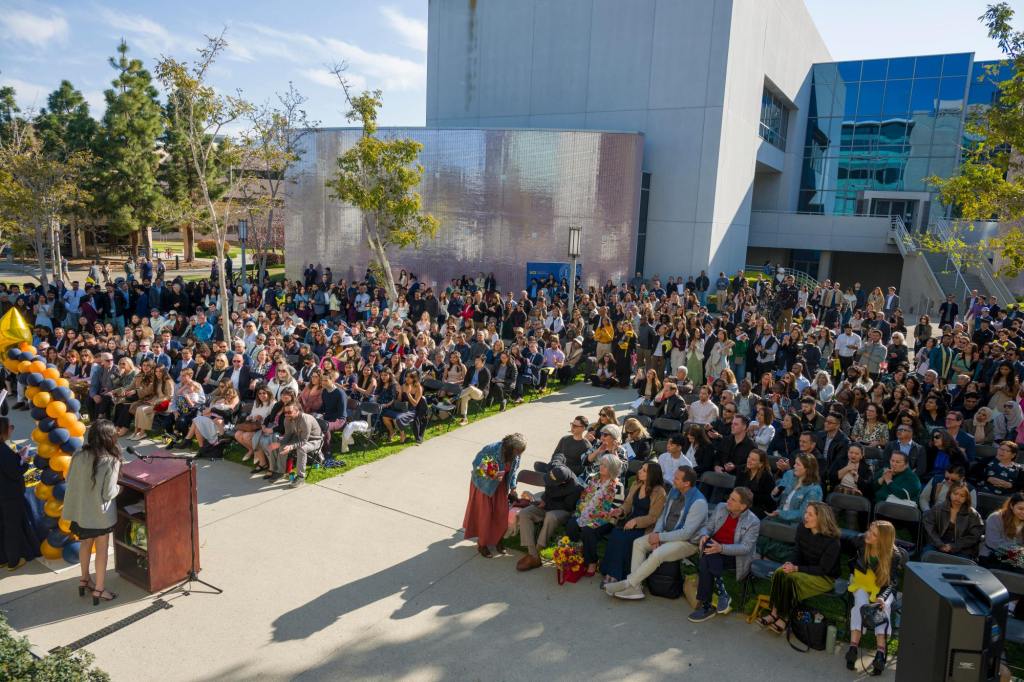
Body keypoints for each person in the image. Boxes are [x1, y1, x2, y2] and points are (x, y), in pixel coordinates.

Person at [605, 465, 707, 600]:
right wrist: (656, 534)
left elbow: (686, 534)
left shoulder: (698, 502)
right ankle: (636, 589)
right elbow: (662, 516)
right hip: (666, 534)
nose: (673, 480)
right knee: (639, 543)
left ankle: (629, 583)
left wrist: (659, 536)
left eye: (676, 478)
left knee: (658, 553)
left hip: (686, 542)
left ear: (686, 483)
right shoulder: (674, 492)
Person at [756, 502, 841, 634]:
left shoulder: (833, 542)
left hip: (824, 577)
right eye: (806, 513)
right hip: (803, 569)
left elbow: (823, 569)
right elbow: (797, 552)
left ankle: (784, 617)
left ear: (821, 518)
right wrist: (790, 564)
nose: (805, 516)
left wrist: (796, 569)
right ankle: (774, 613)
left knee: (791, 578)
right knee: (780, 572)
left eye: (810, 514)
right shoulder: (802, 528)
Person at [62, 419, 122, 605]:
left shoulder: (78, 453)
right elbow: (109, 493)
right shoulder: (110, 461)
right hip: (99, 516)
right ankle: (99, 590)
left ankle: (84, 579)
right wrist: (120, 488)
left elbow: (69, 477)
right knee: (102, 551)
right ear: (109, 438)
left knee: (85, 545)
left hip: (80, 512)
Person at [687, 487, 760, 622]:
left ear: (743, 506)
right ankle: (722, 595)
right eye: (729, 497)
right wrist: (704, 535)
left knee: (706, 560)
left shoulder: (753, 522)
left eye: (733, 499)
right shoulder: (721, 507)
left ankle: (707, 606)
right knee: (709, 554)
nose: (728, 501)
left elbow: (745, 548)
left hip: (734, 556)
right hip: (713, 548)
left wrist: (721, 548)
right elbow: (708, 527)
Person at [845, 521, 902, 675]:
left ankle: (880, 651)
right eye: (869, 530)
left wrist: (882, 597)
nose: (868, 534)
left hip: (883, 587)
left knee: (883, 608)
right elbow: (846, 543)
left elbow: (893, 582)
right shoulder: (862, 542)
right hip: (862, 581)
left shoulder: (894, 555)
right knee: (860, 604)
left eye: (874, 534)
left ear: (883, 540)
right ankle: (853, 647)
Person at [600, 461, 667, 583]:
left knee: (625, 539)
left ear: (652, 475)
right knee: (616, 534)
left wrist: (636, 521)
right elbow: (628, 504)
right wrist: (620, 511)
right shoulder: (636, 484)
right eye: (641, 468)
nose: (640, 471)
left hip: (645, 526)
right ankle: (609, 571)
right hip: (630, 521)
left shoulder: (659, 492)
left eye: (644, 470)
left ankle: (617, 575)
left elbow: (653, 517)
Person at [516, 453, 583, 571]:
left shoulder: (575, 488)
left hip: (562, 510)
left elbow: (567, 506)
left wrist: (546, 504)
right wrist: (543, 501)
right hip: (547, 502)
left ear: (562, 483)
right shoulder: (555, 467)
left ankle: (537, 551)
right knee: (524, 513)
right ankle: (533, 555)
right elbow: (560, 455)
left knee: (550, 516)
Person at [463, 433, 526, 558]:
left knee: (501, 514)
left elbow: (513, 472)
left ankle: (498, 540)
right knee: (485, 516)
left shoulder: (516, 456)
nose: (519, 455)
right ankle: (482, 545)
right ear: (510, 448)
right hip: (484, 486)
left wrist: (513, 487)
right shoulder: (491, 448)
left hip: (500, 487)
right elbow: (476, 465)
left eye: (521, 452)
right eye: (517, 451)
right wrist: (492, 473)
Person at [566, 453, 622, 575]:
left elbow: (615, 510)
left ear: (612, 469)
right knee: (572, 523)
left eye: (605, 466)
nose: (601, 467)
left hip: (605, 519)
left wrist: (596, 517)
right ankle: (575, 553)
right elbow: (583, 497)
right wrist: (579, 511)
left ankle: (592, 561)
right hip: (586, 513)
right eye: (601, 464)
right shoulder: (593, 479)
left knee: (588, 530)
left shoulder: (617, 486)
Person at [0, 418, 37, 570]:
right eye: (11, 427)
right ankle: (13, 561)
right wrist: (24, 462)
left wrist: (16, 457)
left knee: (2, 526)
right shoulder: (2, 450)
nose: (12, 429)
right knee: (12, 528)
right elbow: (15, 472)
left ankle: (3, 558)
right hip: (9, 495)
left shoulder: (4, 449)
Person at [265, 402, 324, 488]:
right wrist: (280, 443)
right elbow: (288, 435)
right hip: (299, 438)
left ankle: (301, 477)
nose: (287, 415)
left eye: (289, 412)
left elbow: (304, 440)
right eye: (285, 412)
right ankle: (281, 472)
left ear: (297, 411)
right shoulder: (287, 419)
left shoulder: (305, 419)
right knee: (282, 445)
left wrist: (291, 446)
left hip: (314, 440)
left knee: (302, 449)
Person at [922, 482, 983, 559]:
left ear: (966, 498)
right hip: (937, 544)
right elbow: (930, 529)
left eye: (962, 495)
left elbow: (974, 536)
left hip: (962, 548)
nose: (958, 497)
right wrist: (940, 544)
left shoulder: (974, 515)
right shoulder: (937, 509)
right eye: (955, 494)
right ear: (950, 494)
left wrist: (953, 546)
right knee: (927, 555)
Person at [768, 453, 822, 524]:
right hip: (778, 517)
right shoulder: (789, 474)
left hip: (796, 525)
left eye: (798, 464)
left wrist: (781, 513)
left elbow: (803, 514)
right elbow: (777, 497)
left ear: (807, 469)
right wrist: (775, 493)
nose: (794, 466)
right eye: (795, 463)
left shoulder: (814, 490)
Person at [980, 492, 1024, 571]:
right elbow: (993, 543)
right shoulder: (996, 517)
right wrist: (1018, 551)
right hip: (992, 555)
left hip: (1017, 557)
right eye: (1020, 509)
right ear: (1011, 506)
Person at [735, 448, 776, 517]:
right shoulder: (742, 470)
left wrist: (751, 496)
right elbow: (736, 487)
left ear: (760, 464)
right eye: (749, 457)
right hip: (741, 503)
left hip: (759, 507)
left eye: (753, 460)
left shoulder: (767, 477)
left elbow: (768, 499)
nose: (749, 461)